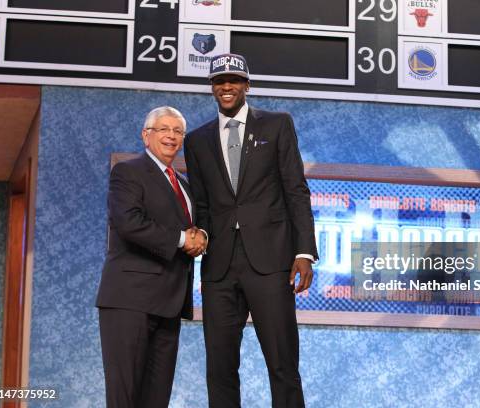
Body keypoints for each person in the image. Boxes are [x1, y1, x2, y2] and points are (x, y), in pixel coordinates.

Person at [184, 53, 318, 408]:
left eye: (233, 80)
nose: (226, 87)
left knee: (283, 364)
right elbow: (202, 203)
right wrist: (198, 237)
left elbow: (295, 190)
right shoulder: (196, 141)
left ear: (246, 85)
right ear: (212, 88)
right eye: (218, 81)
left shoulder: (277, 125)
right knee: (220, 368)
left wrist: (304, 252)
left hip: (271, 262)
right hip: (219, 268)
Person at [96, 106, 206, 408]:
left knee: (157, 400)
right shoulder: (128, 172)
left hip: (170, 305)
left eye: (178, 131)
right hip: (130, 301)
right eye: (164, 129)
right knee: (125, 397)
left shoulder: (185, 185)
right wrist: (184, 239)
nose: (171, 136)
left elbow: (195, 228)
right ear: (147, 135)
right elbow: (128, 222)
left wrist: (202, 237)